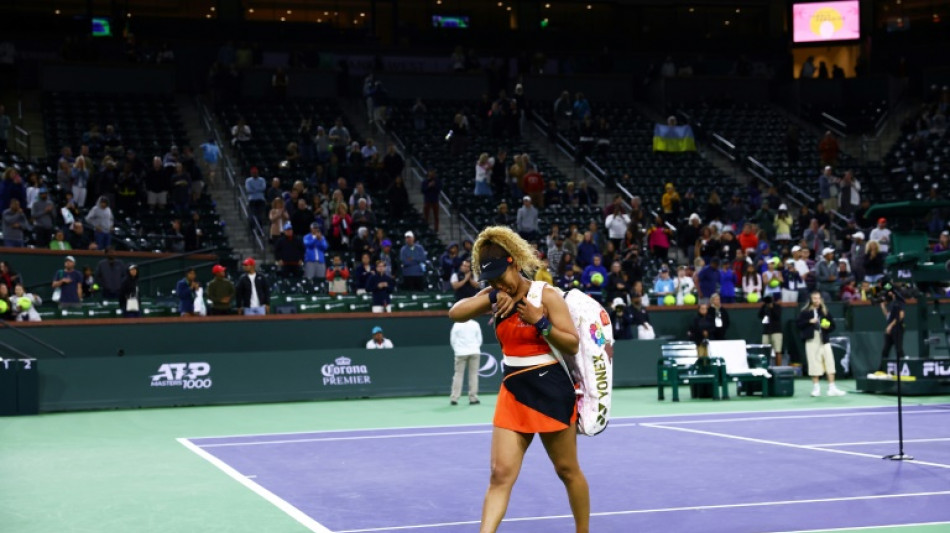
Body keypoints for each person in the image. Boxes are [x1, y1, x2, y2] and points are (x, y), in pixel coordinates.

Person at [448, 225, 588, 533]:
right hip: (513, 390)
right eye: (491, 280)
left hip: (551, 390)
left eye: (500, 276)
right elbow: (456, 313)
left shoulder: (545, 295)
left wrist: (540, 322)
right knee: (500, 475)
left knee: (567, 470)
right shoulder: (495, 296)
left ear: (513, 261)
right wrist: (493, 294)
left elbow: (572, 344)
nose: (498, 283)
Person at [797, 292, 846, 397]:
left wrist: (827, 327)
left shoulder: (825, 311)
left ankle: (832, 388)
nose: (817, 300)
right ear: (811, 300)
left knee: (830, 362)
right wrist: (809, 321)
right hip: (812, 339)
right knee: (814, 364)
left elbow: (833, 326)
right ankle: (816, 389)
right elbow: (799, 324)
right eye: (814, 298)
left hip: (824, 339)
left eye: (818, 298)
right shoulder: (805, 312)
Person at [449, 318, 483, 405]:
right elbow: (479, 339)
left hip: (461, 353)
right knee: (473, 375)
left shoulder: (456, 325)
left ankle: (454, 398)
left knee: (458, 375)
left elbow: (453, 340)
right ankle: (473, 398)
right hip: (474, 351)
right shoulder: (475, 324)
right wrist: (475, 347)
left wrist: (457, 349)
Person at [877, 283, 905, 374]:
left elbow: (901, 316)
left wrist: (891, 325)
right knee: (885, 350)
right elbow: (888, 316)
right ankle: (881, 370)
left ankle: (904, 368)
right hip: (890, 330)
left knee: (899, 350)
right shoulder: (891, 303)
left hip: (897, 329)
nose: (888, 293)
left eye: (889, 291)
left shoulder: (899, 302)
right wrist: (883, 307)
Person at [759, 295, 784, 365]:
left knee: (777, 350)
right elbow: (759, 315)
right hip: (766, 332)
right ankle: (765, 366)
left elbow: (777, 316)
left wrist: (772, 308)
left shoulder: (777, 307)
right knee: (765, 350)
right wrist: (763, 306)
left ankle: (778, 368)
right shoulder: (764, 307)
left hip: (776, 331)